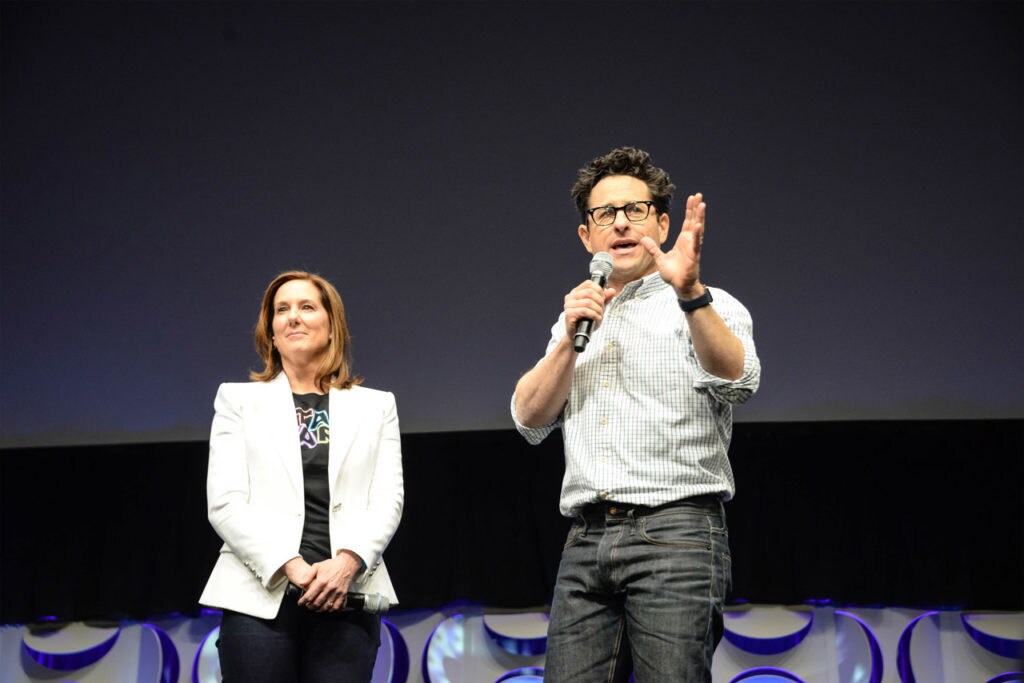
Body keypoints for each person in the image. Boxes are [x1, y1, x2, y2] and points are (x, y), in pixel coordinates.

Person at [511, 147, 761, 681]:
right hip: (585, 540)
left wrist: (690, 292)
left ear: (663, 222)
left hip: (675, 534)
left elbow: (739, 381)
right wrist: (568, 342)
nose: (620, 223)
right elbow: (530, 419)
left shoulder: (706, 303)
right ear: (587, 236)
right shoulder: (578, 316)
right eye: (605, 214)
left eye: (636, 210)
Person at [199, 270, 404, 682]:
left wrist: (346, 564)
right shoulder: (237, 400)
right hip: (259, 599)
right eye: (281, 310)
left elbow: (387, 501)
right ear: (271, 332)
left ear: (332, 327)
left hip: (347, 596)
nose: (292, 317)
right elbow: (224, 502)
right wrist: (289, 565)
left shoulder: (376, 406)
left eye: (306, 307)